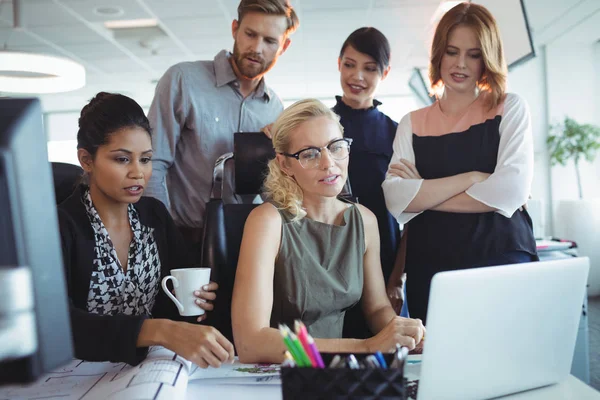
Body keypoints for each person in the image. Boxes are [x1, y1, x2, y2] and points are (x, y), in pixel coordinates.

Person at [231, 99, 425, 364]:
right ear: (285, 165)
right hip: (279, 373)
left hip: (336, 371)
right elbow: (251, 342)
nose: (328, 163)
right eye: (309, 153)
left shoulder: (364, 220)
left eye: (336, 147)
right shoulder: (267, 221)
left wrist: (403, 334)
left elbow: (378, 307)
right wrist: (366, 346)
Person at [382, 2, 538, 322]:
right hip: (431, 263)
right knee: (442, 367)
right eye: (452, 52)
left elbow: (511, 191)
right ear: (439, 54)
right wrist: (472, 178)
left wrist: (422, 196)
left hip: (501, 253)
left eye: (474, 54)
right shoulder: (411, 123)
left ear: (487, 59)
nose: (461, 64)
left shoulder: (510, 108)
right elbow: (395, 196)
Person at [58, 92, 235, 368]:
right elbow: (58, 324)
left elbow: (176, 300)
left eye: (146, 159)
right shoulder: (59, 226)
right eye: (122, 159)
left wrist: (202, 300)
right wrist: (158, 331)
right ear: (86, 160)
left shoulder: (154, 216)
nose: (138, 173)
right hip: (77, 373)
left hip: (148, 367)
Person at [145, 0, 299, 255]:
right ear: (235, 29)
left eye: (270, 41)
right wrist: (161, 236)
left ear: (284, 46)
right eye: (250, 34)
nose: (256, 48)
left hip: (248, 243)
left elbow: (272, 190)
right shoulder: (183, 80)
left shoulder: (275, 110)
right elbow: (154, 163)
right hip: (181, 239)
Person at [332, 27, 406, 338]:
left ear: (385, 72)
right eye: (349, 64)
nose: (357, 76)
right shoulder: (320, 125)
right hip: (330, 260)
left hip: (385, 262)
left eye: (370, 68)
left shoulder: (397, 134)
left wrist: (397, 278)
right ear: (339, 64)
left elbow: (413, 214)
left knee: (386, 349)